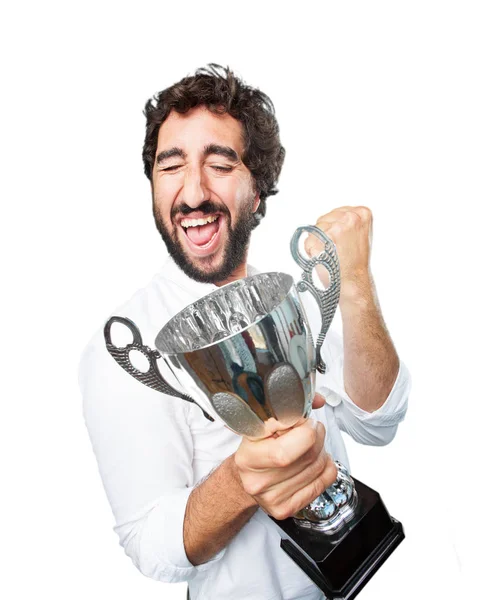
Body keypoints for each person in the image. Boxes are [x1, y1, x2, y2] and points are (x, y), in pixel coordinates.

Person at [79, 64, 411, 600]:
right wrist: (240, 482)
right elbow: (148, 543)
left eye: (220, 163)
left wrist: (354, 284)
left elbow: (379, 420)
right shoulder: (124, 342)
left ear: (257, 191)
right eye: (172, 167)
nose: (193, 192)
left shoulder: (298, 294)